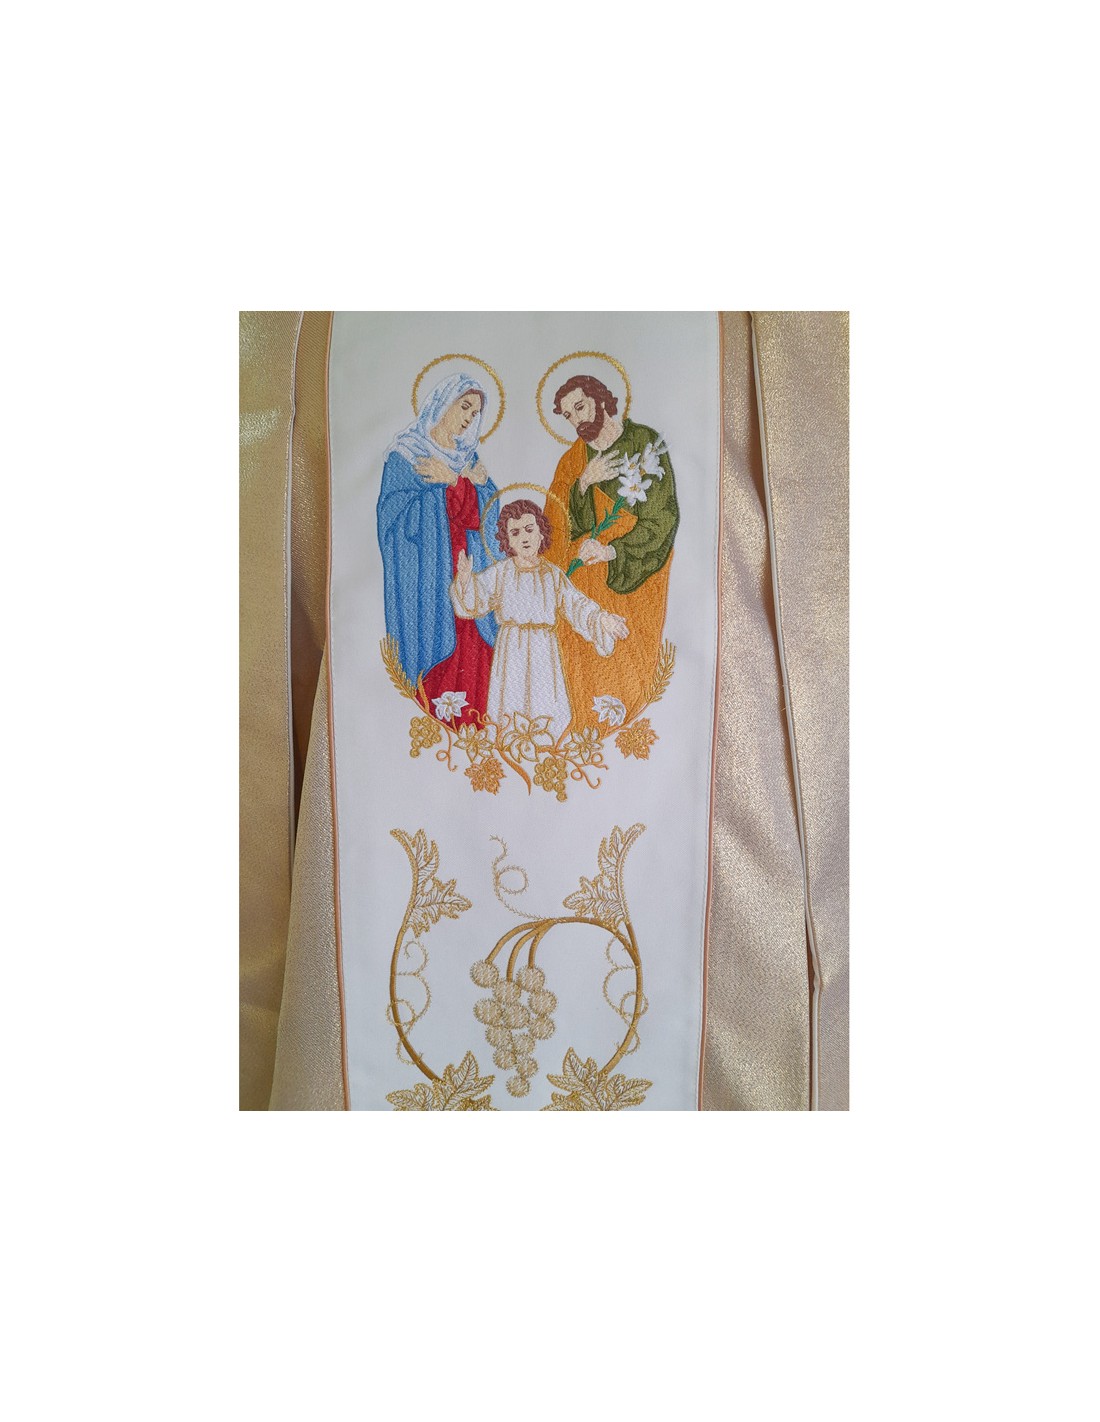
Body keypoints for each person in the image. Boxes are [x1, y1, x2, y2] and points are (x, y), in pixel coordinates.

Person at [544, 374, 679, 730]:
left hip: (631, 579)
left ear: (600, 398)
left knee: (627, 667)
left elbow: (663, 519)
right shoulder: (573, 461)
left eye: (580, 407)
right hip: (585, 585)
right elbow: (557, 528)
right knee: (584, 668)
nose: (576, 420)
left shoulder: (645, 444)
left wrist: (613, 552)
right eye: (569, 416)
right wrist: (584, 483)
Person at [376, 373, 500, 724]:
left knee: (476, 670)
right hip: (432, 587)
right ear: (443, 402)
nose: (468, 418)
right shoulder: (405, 456)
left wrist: (456, 482)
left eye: (475, 413)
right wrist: (453, 489)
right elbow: (393, 526)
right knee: (439, 677)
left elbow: (492, 517)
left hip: (471, 584)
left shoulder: (469, 460)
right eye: (465, 406)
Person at [451, 499, 628, 742]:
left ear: (541, 533)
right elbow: (475, 600)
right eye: (515, 532)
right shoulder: (501, 572)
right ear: (507, 540)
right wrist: (464, 580)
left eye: (529, 529)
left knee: (545, 708)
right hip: (511, 651)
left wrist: (602, 619)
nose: (524, 538)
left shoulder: (552, 575)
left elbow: (576, 604)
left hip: (544, 650)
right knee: (510, 709)